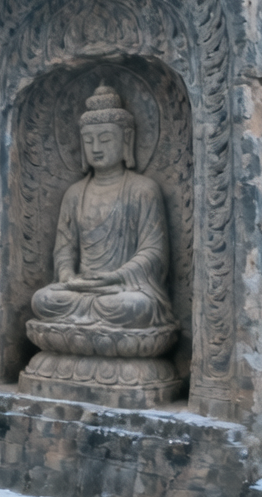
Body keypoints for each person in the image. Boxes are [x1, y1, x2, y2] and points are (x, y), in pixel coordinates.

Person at [29, 85, 171, 332]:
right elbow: (64, 251)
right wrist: (68, 277)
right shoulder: (74, 194)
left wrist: (116, 276)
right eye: (88, 140)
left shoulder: (143, 189)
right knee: (44, 300)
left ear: (126, 140)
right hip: (81, 290)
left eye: (105, 139)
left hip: (123, 289)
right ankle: (87, 326)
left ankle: (83, 328)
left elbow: (153, 251)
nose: (96, 147)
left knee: (136, 306)